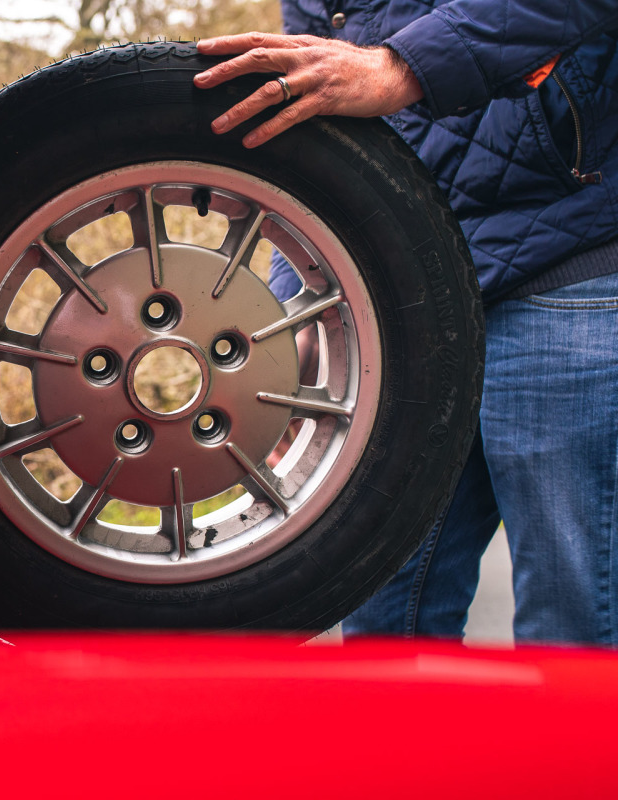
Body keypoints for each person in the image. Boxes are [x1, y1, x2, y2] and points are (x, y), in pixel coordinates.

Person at [193, 2, 618, 646]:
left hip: (562, 256)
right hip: (404, 302)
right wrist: (298, 317)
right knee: (384, 625)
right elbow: (313, 119)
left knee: (571, 621)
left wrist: (401, 67)